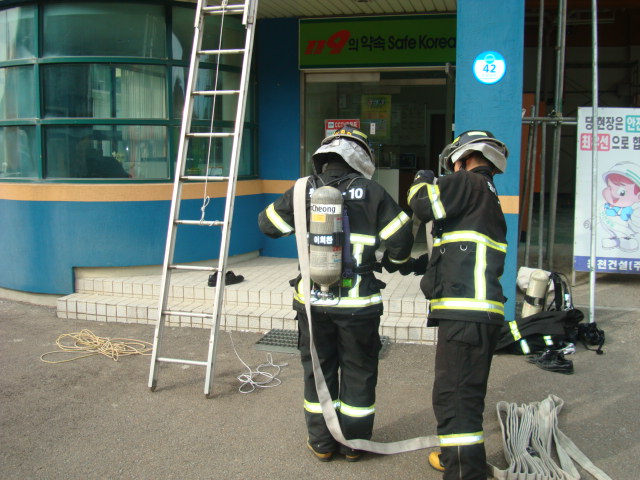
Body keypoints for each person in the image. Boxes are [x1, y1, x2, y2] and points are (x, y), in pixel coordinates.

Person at [258, 125, 418, 462]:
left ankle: (322, 443)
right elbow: (402, 242)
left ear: (323, 157)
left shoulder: (302, 189)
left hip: (312, 304)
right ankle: (354, 445)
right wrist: (394, 262)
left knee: (319, 371)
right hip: (359, 304)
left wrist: (300, 219)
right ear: (361, 158)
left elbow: (267, 225)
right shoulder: (372, 191)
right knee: (359, 371)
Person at [407, 130, 509, 479]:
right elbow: (463, 250)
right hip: (480, 314)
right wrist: (421, 266)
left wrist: (422, 177)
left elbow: (422, 204)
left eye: (453, 164)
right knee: (466, 394)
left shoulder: (467, 182)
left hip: (465, 316)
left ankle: (465, 472)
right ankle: (457, 458)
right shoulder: (488, 195)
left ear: (464, 159)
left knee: (455, 398)